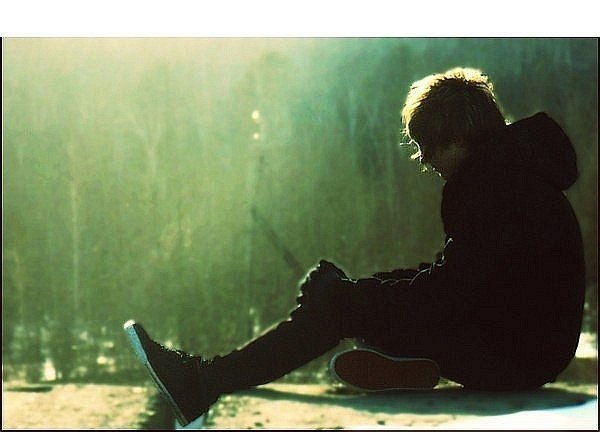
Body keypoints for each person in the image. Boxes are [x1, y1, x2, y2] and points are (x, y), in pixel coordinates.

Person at [124, 67, 585, 427]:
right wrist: (358, 289)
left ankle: (203, 381)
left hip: (512, 356)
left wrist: (347, 298)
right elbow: (457, 276)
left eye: (429, 147)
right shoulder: (514, 178)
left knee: (340, 309)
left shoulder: (493, 187)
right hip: (522, 347)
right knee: (350, 303)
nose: (424, 160)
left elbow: (447, 291)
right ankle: (405, 362)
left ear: (460, 139)